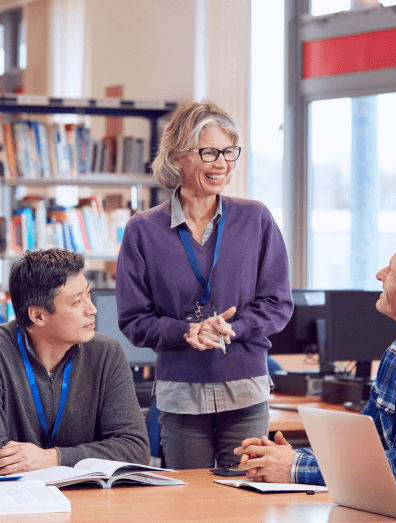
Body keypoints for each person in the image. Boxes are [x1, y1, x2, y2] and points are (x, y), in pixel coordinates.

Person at [235, 222, 396, 488]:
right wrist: (283, 457)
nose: (379, 274)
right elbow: (363, 450)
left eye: (391, 271)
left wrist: (294, 468)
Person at [115, 101, 293, 469]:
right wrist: (187, 332)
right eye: (209, 152)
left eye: (229, 152)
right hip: (180, 394)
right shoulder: (143, 230)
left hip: (245, 388)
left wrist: (233, 327)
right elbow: (133, 319)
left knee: (244, 500)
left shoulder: (255, 218)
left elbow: (278, 303)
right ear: (179, 155)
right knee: (192, 503)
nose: (222, 164)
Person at [0, 249, 149, 477]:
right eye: (76, 302)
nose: (92, 309)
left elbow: (135, 449)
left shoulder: (106, 353)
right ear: (38, 316)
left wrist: (52, 458)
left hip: (88, 500)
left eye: (88, 295)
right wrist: (86, 458)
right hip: (15, 502)